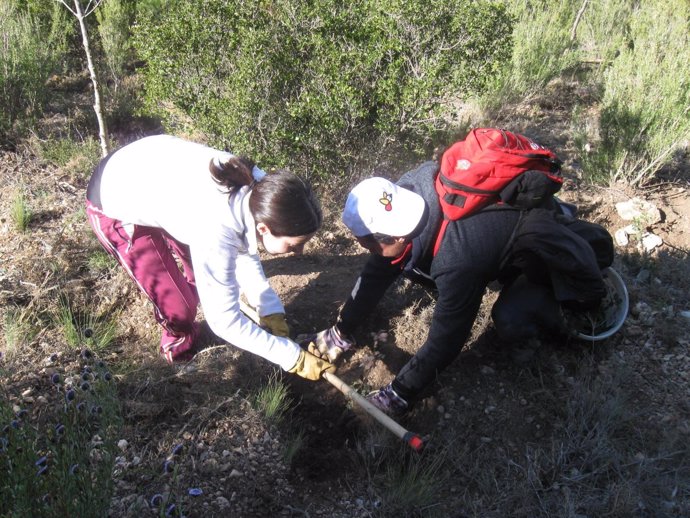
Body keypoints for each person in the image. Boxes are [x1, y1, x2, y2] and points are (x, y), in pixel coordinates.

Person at [302, 159, 614, 415]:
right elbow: (379, 269)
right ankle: (505, 261)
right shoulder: (409, 191)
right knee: (408, 264)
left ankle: (560, 308)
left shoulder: (458, 258)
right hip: (494, 235)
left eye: (366, 244)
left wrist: (399, 392)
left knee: (511, 319)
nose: (364, 249)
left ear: (395, 237)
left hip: (538, 245)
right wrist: (341, 332)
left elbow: (448, 337)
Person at [86, 134, 335, 380]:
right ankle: (178, 348)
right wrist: (292, 357)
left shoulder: (262, 189)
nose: (300, 252)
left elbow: (242, 246)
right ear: (264, 229)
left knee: (202, 277)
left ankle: (198, 298)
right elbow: (224, 321)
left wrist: (269, 308)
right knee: (179, 307)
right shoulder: (215, 228)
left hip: (158, 182)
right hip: (115, 195)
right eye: (294, 245)